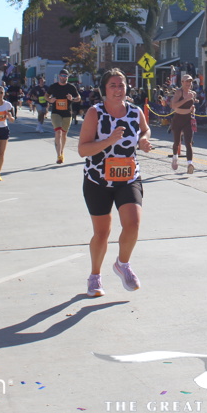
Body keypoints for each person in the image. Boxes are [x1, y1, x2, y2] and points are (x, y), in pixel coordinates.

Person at [77, 68, 152, 298]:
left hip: (128, 177)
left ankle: (123, 264)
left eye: (122, 85)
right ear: (104, 89)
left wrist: (143, 140)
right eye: (113, 85)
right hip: (97, 179)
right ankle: (95, 276)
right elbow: (83, 149)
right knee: (102, 233)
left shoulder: (135, 111)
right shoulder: (95, 113)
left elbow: (145, 129)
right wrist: (109, 140)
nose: (118, 90)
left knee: (133, 223)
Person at [46, 69, 81, 164]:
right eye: (62, 75)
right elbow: (46, 96)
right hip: (56, 112)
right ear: (59, 76)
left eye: (65, 76)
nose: (63, 77)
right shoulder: (53, 86)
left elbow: (78, 98)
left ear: (67, 77)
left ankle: (61, 151)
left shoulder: (71, 87)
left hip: (67, 113)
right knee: (58, 132)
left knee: (64, 134)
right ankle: (58, 155)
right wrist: (50, 100)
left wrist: (72, 99)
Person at [168, 74, 197, 174]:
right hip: (178, 119)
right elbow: (173, 105)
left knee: (189, 142)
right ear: (182, 82)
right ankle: (175, 157)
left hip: (188, 119)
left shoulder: (193, 93)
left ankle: (190, 164)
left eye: (190, 81)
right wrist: (186, 99)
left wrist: (192, 109)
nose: (188, 83)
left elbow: (192, 105)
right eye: (186, 81)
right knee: (177, 142)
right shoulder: (179, 92)